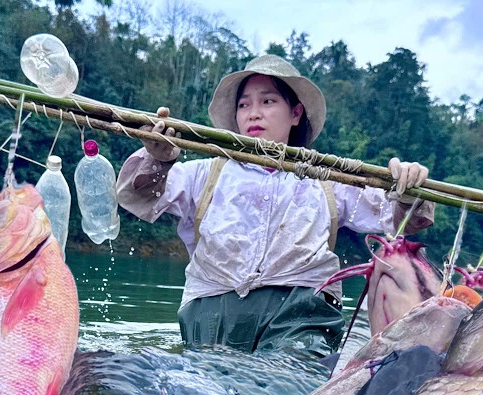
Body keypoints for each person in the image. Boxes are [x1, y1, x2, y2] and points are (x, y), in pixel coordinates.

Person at [115, 54, 434, 358]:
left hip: (302, 312)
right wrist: (157, 157)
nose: (253, 113)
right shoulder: (204, 174)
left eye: (267, 101)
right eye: (244, 105)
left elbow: (401, 220)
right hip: (210, 312)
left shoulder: (328, 181)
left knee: (284, 388)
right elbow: (139, 197)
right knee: (208, 394)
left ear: (295, 113)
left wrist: (407, 188)